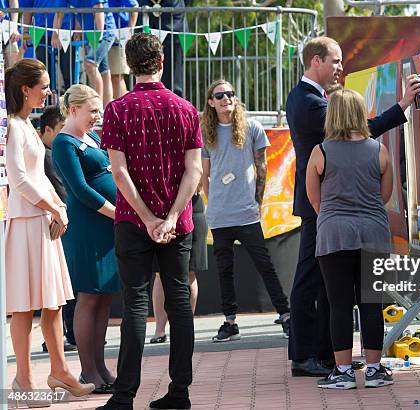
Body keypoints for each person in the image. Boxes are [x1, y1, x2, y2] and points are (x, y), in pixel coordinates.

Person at [285, 36, 420, 377]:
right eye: (335, 60)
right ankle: (306, 356)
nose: (340, 67)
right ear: (315, 60)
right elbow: (359, 133)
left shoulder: (310, 98)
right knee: (312, 282)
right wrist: (403, 104)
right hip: (326, 209)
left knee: (325, 287)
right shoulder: (310, 103)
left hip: (327, 209)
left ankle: (330, 357)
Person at [97, 32, 202, 410]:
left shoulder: (117, 110)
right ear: (161, 63)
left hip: (131, 220)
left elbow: (119, 173)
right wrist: (170, 216)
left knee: (135, 305)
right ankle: (180, 392)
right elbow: (194, 172)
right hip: (178, 223)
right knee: (178, 304)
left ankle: (124, 396)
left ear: (128, 66)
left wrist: (147, 217)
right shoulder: (186, 109)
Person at [4, 59, 94, 406]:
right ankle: (23, 382)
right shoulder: (13, 126)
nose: (48, 91)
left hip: (40, 221)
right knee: (25, 308)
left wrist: (59, 205)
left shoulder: (26, 124)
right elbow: (20, 179)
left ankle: (61, 371)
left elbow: (39, 177)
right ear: (25, 89)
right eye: (42, 86)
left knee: (53, 303)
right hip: (26, 223)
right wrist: (53, 207)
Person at [306, 89, 397, 389]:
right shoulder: (379, 150)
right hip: (373, 234)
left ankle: (343, 372)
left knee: (339, 305)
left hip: (333, 236)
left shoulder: (321, 151)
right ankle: (374, 370)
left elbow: (314, 198)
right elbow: (384, 196)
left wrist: (334, 216)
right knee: (372, 303)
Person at [202, 79, 290, 342]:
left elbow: (262, 166)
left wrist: (257, 201)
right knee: (224, 269)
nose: (226, 98)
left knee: (265, 265)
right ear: (211, 102)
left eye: (230, 94)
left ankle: (285, 315)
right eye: (220, 95)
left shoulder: (252, 127)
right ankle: (229, 322)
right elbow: (204, 175)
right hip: (219, 215)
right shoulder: (207, 131)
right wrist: (213, 201)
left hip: (246, 212)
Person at [52, 84, 120, 394]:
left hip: (105, 228)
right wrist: (116, 213)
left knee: (104, 297)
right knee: (89, 297)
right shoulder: (64, 143)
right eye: (93, 111)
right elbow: (80, 190)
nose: (97, 116)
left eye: (99, 110)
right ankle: (88, 370)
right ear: (74, 109)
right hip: (87, 229)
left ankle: (101, 366)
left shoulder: (90, 137)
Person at [38, 105, 78, 354]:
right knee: (63, 285)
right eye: (61, 128)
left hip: (57, 222)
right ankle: (69, 334)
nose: (65, 133)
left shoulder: (51, 151)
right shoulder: (48, 155)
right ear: (48, 129)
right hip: (58, 224)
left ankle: (66, 333)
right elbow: (61, 190)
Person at [150, 190, 207, 344]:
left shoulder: (194, 165)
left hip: (190, 210)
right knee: (159, 273)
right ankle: (159, 329)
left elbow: (198, 181)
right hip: (159, 210)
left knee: (189, 273)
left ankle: (186, 325)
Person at [53, 0, 116, 107]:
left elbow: (99, 10)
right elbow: (62, 13)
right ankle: (107, 108)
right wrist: (77, 30)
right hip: (90, 33)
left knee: (90, 64)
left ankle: (98, 107)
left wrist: (98, 35)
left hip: (104, 32)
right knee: (104, 71)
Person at [22, 0, 76, 94]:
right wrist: (26, 33)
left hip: (66, 31)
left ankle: (71, 105)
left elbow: (77, 5)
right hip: (41, 32)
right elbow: (27, 8)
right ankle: (45, 106)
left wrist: (77, 29)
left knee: (69, 75)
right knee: (44, 75)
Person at [137, 0, 187, 96]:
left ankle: (175, 106)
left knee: (174, 78)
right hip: (145, 24)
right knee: (144, 74)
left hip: (173, 25)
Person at [108, 0, 138, 98]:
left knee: (117, 76)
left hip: (119, 38)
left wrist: (130, 30)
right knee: (106, 76)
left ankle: (121, 107)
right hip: (102, 37)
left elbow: (135, 7)